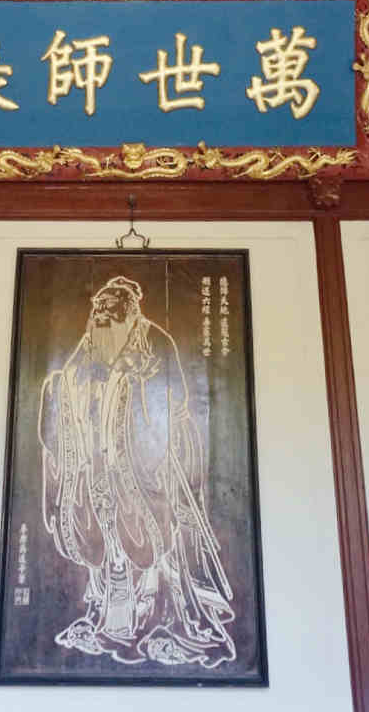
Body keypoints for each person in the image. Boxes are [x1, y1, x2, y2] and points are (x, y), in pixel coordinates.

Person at [38, 275, 235, 668]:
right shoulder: (89, 345)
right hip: (100, 466)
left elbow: (175, 400)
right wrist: (70, 389)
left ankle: (163, 621)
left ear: (129, 312)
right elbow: (71, 387)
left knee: (155, 548)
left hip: (148, 469)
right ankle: (109, 621)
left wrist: (132, 380)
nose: (100, 317)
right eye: (97, 310)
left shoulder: (155, 340)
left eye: (109, 310)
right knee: (109, 543)